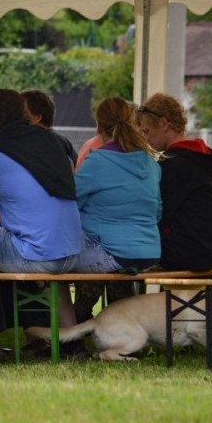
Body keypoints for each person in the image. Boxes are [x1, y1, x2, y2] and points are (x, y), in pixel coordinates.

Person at [0, 89, 83, 367]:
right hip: (71, 253)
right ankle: (73, 344)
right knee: (46, 250)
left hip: (34, 256)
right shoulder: (55, 143)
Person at [72, 98, 162, 321]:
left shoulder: (98, 161)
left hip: (112, 252)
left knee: (58, 259)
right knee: (112, 269)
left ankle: (72, 327)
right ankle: (122, 328)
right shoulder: (151, 162)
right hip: (148, 252)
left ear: (98, 126)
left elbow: (71, 205)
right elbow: (158, 210)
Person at [136, 93, 212, 271]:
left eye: (146, 131)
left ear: (163, 124)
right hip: (209, 252)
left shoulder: (172, 165)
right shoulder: (205, 157)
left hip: (179, 255)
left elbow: (157, 214)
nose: (144, 138)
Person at [20, 89, 77, 165]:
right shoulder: (62, 143)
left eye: (23, 114)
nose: (18, 118)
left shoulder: (28, 144)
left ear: (37, 117)